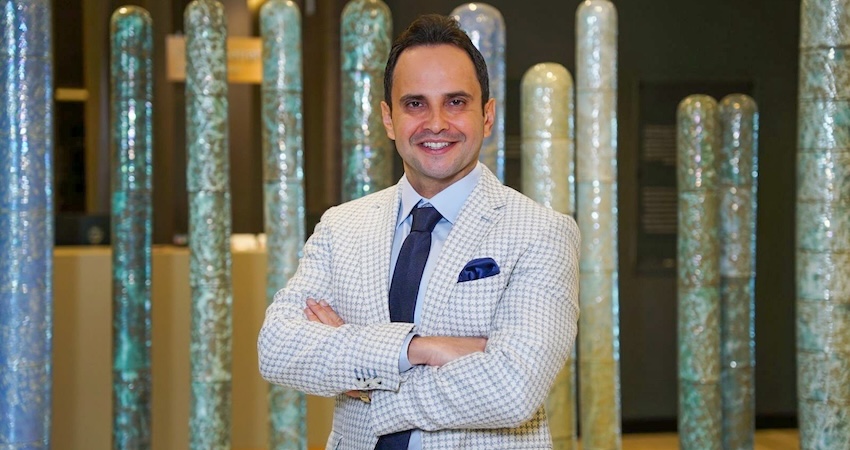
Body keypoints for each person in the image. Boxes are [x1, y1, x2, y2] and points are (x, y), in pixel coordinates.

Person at [258, 13, 579, 450]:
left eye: (455, 102)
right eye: (415, 104)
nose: (436, 123)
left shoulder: (541, 233)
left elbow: (512, 388)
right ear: (389, 119)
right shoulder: (341, 226)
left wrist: (365, 379)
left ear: (487, 116)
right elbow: (277, 348)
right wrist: (416, 349)